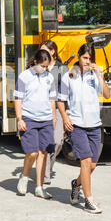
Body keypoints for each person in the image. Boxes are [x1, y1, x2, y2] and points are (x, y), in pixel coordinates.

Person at [58, 43, 110, 214]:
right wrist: (65, 118)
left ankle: (76, 184)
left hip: (95, 125)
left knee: (92, 165)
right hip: (77, 124)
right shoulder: (69, 75)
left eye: (90, 58)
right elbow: (61, 100)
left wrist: (100, 75)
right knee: (85, 162)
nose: (88, 61)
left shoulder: (95, 75)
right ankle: (89, 199)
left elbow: (107, 95)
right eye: (85, 58)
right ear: (79, 57)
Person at [14, 49, 57, 199]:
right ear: (35, 62)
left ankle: (39, 187)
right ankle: (24, 177)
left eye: (47, 66)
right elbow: (18, 98)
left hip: (45, 119)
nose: (45, 69)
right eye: (43, 66)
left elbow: (52, 99)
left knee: (43, 153)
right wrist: (20, 119)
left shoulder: (49, 77)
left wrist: (53, 117)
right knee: (32, 152)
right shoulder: (24, 77)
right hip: (29, 118)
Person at [37, 41, 68, 185]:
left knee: (57, 141)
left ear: (53, 51)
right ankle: (45, 174)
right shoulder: (36, 67)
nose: (43, 52)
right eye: (41, 50)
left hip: (58, 108)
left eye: (46, 50)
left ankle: (47, 166)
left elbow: (67, 89)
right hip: (41, 108)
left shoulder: (61, 68)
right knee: (45, 141)